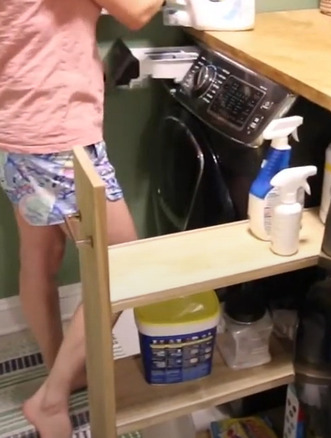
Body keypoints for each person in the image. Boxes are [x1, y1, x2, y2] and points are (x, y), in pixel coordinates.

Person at [0, 1, 163, 437]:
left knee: (41, 258)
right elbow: (137, 11)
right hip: (57, 135)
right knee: (123, 262)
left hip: (17, 124)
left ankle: (64, 372)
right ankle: (51, 401)